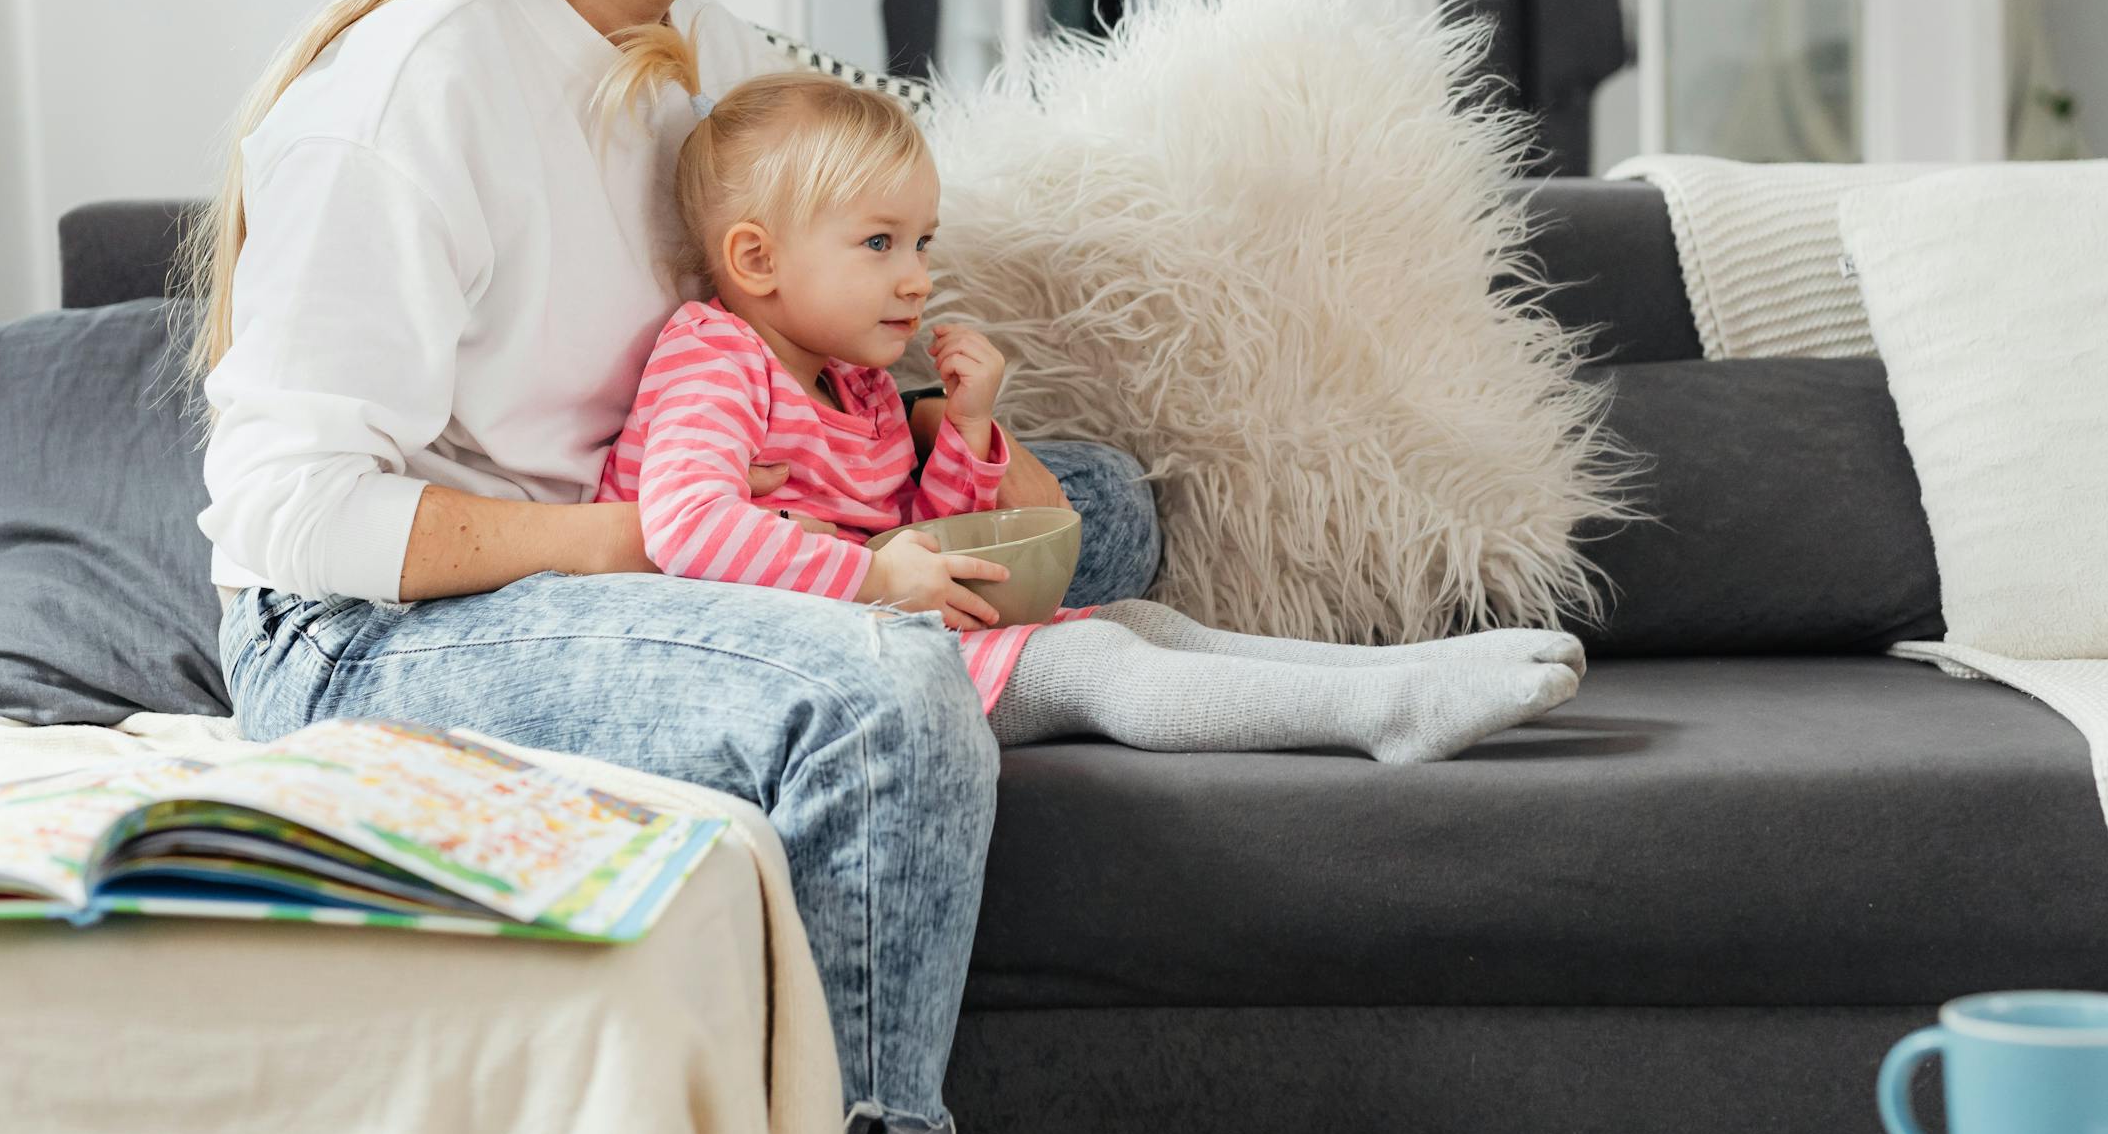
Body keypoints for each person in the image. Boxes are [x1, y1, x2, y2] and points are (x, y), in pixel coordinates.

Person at [179, 0, 1164, 1134]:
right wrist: (645, 540)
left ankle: (993, 635)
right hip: (378, 630)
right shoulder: (413, 91)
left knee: (1105, 506)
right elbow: (282, 522)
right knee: (889, 687)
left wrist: (957, 450)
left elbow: (829, 344)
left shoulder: (716, 64)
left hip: (671, 537)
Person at [589, 43, 1588, 759]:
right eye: (879, 244)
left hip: (885, 634)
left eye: (922, 243)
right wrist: (873, 582)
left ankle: (1394, 673)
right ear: (756, 260)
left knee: (1135, 622)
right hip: (789, 668)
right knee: (1099, 666)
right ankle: (1380, 717)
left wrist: (970, 430)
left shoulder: (858, 385)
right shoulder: (713, 360)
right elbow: (684, 528)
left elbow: (930, 542)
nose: (915, 279)